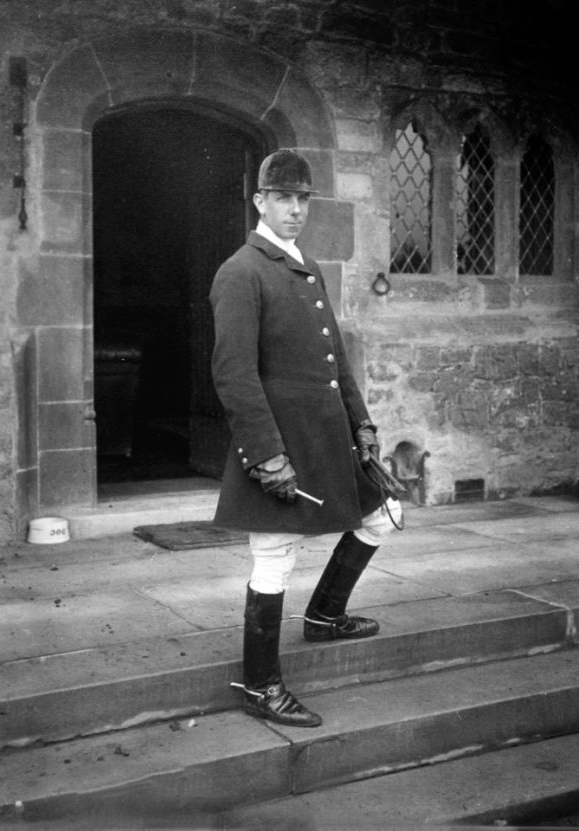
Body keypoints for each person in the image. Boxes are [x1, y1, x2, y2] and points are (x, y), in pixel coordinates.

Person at [209, 148, 403, 728]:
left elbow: (335, 359)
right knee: (275, 553)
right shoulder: (240, 271)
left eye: (302, 199)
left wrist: (362, 425)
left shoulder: (307, 266)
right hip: (283, 443)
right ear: (259, 201)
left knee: (384, 511)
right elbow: (233, 374)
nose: (294, 210)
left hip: (330, 438)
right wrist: (267, 457)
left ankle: (324, 616)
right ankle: (261, 683)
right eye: (283, 198)